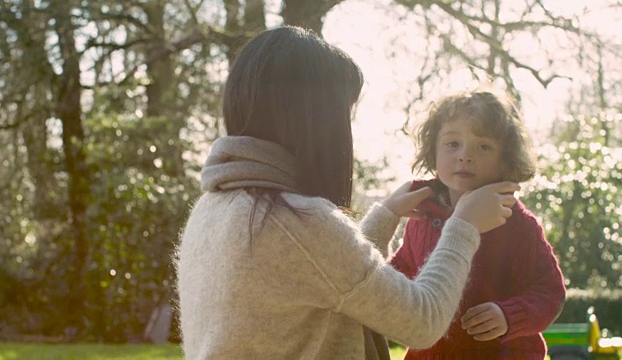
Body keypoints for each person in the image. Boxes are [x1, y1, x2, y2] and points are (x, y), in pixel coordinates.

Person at [175, 26, 519, 360]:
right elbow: (422, 320)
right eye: (345, 115)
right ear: (315, 120)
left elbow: (323, 280)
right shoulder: (297, 221)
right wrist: (463, 224)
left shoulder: (212, 208)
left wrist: (385, 217)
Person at [388, 89, 566, 359]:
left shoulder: (517, 223)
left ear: (505, 159)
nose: (464, 156)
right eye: (452, 144)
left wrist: (509, 316)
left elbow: (549, 291)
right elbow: (401, 273)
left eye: (483, 146)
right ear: (432, 150)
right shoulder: (422, 215)